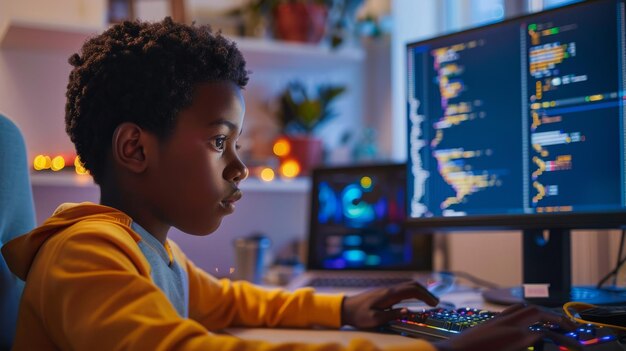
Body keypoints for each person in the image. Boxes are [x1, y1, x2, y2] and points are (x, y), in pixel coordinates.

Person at [2, 18, 581, 351]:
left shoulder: (153, 252)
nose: (240, 167)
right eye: (218, 141)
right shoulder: (87, 255)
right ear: (135, 148)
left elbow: (232, 300)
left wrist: (348, 309)